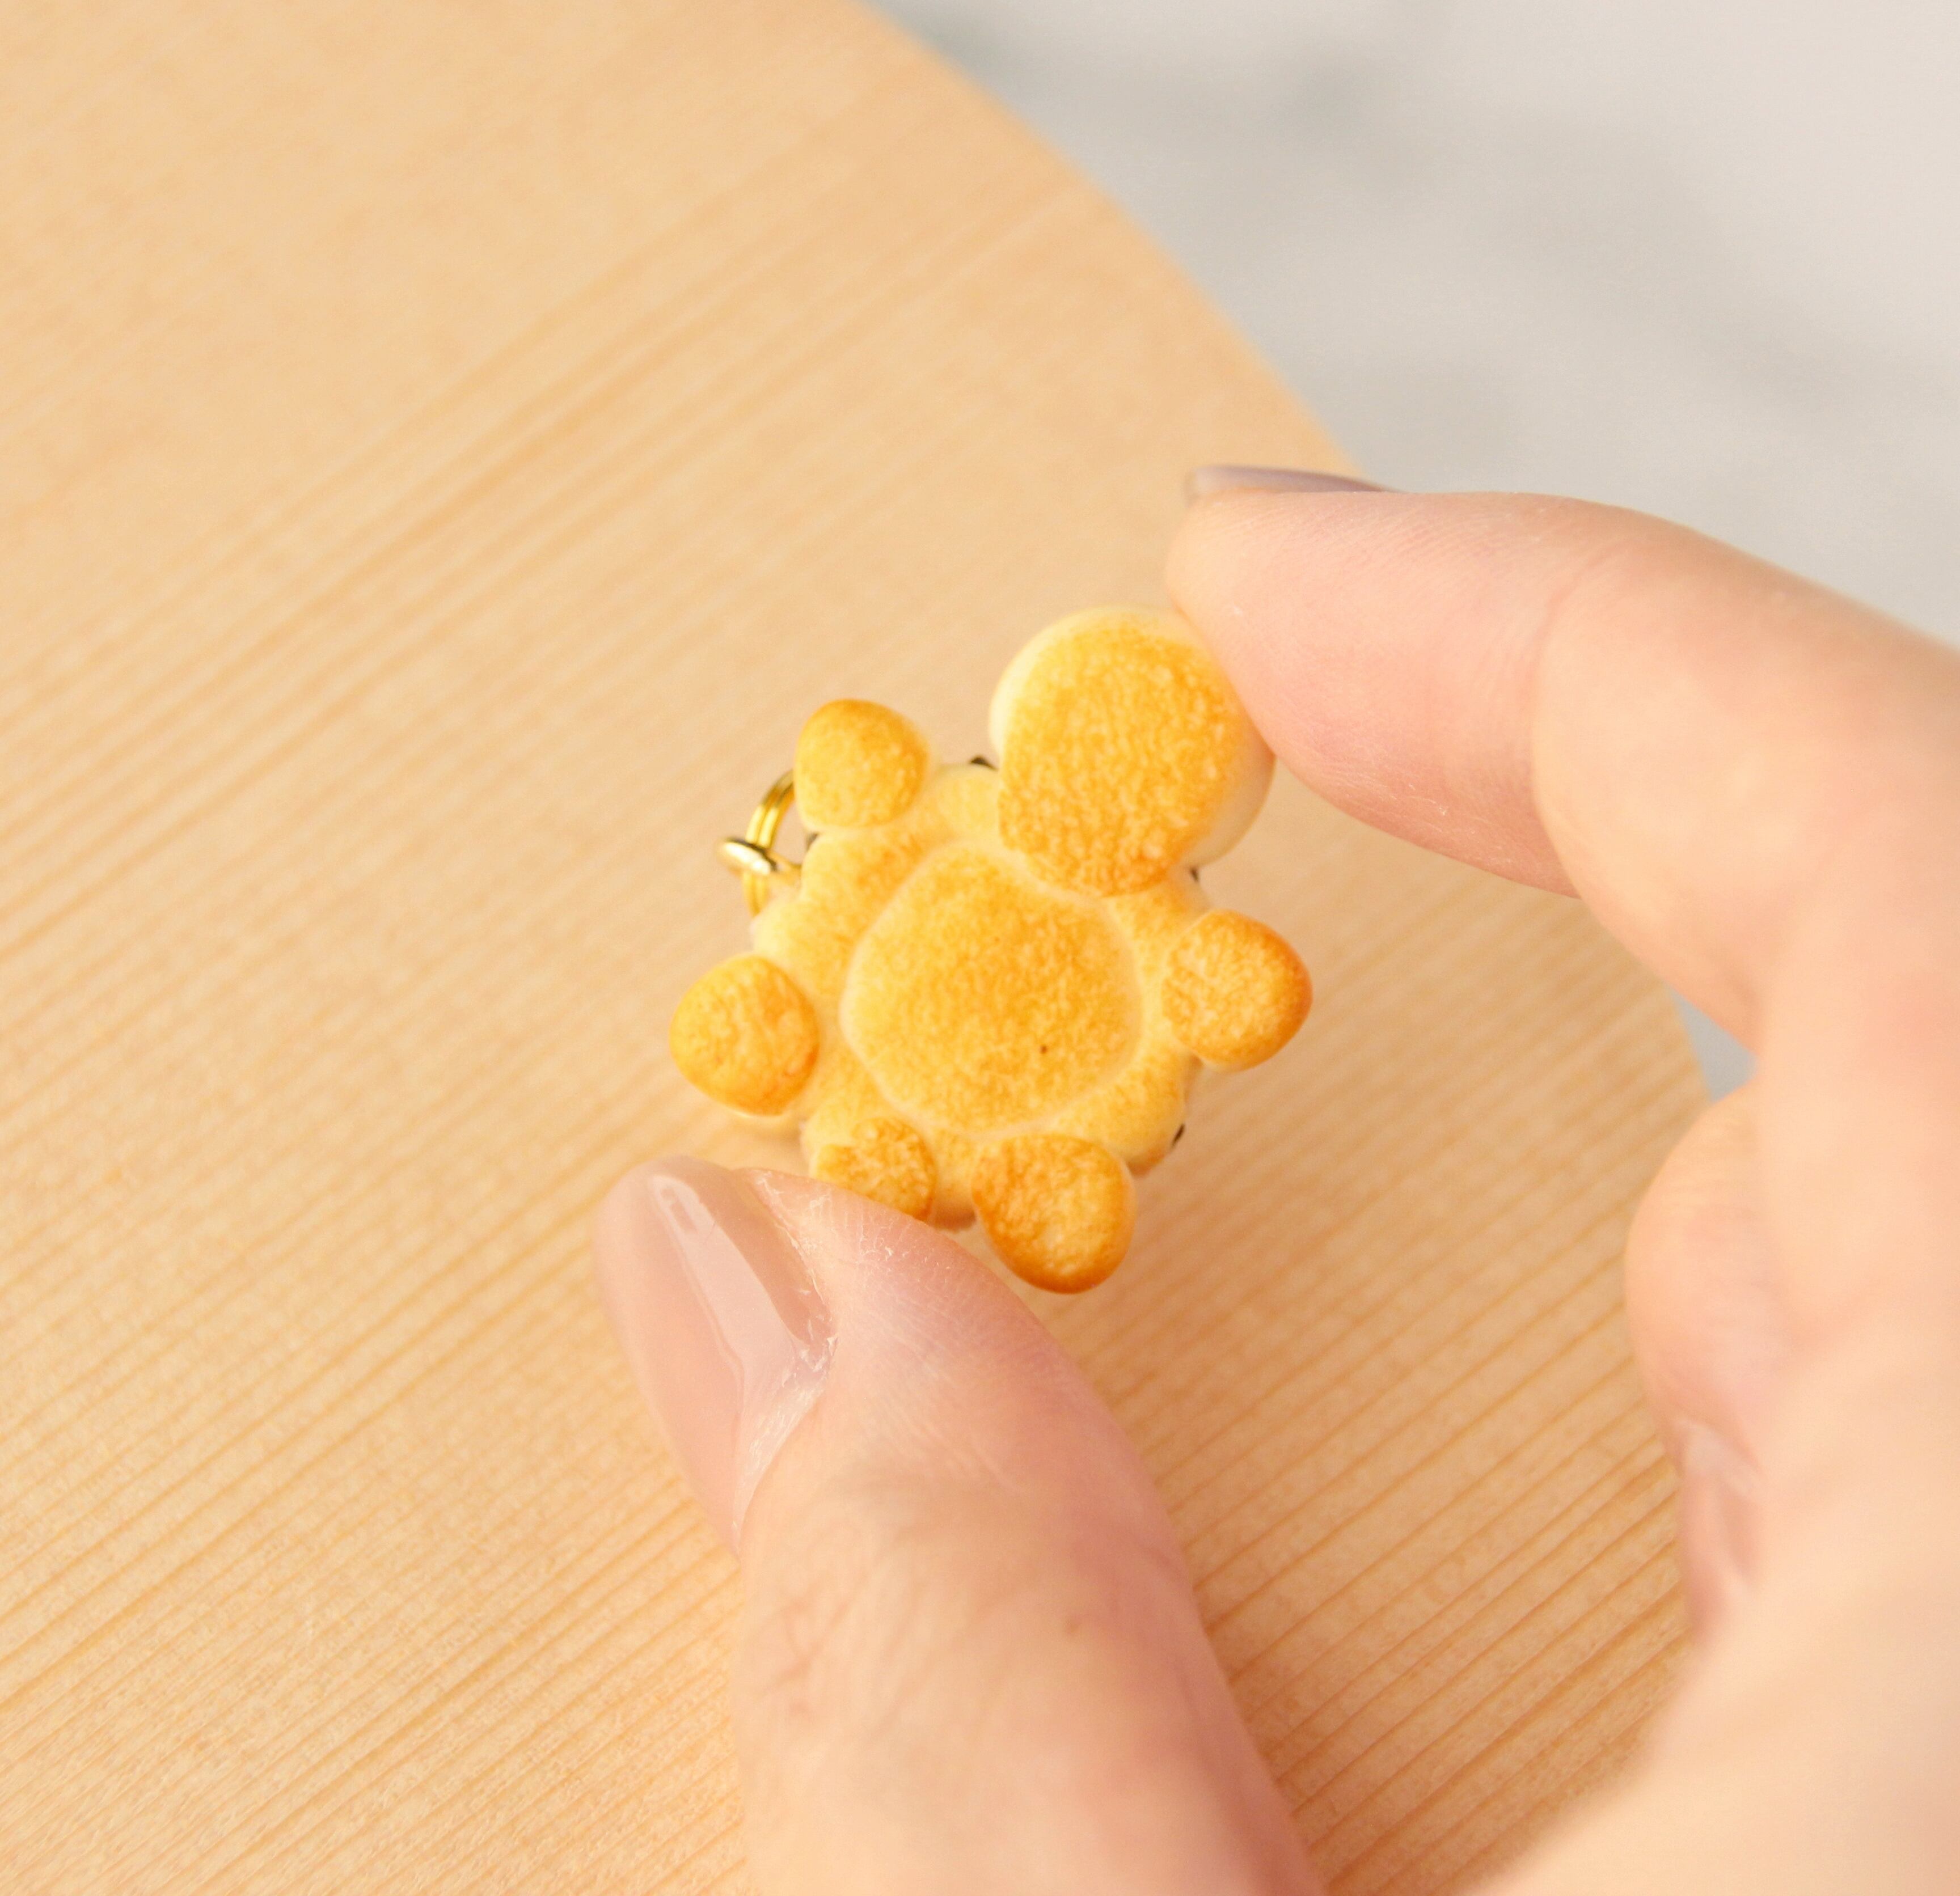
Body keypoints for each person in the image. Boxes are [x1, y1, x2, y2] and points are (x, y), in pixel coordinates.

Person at [595, 471, 1960, 1895]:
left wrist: (1185, 986)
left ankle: (958, 1128)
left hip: (1009, 1099)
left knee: (1025, 1161)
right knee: (934, 1120)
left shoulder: (1139, 922)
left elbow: (1209, 989)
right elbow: (886, 858)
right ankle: (836, 1060)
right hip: (889, 1038)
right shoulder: (955, 832)